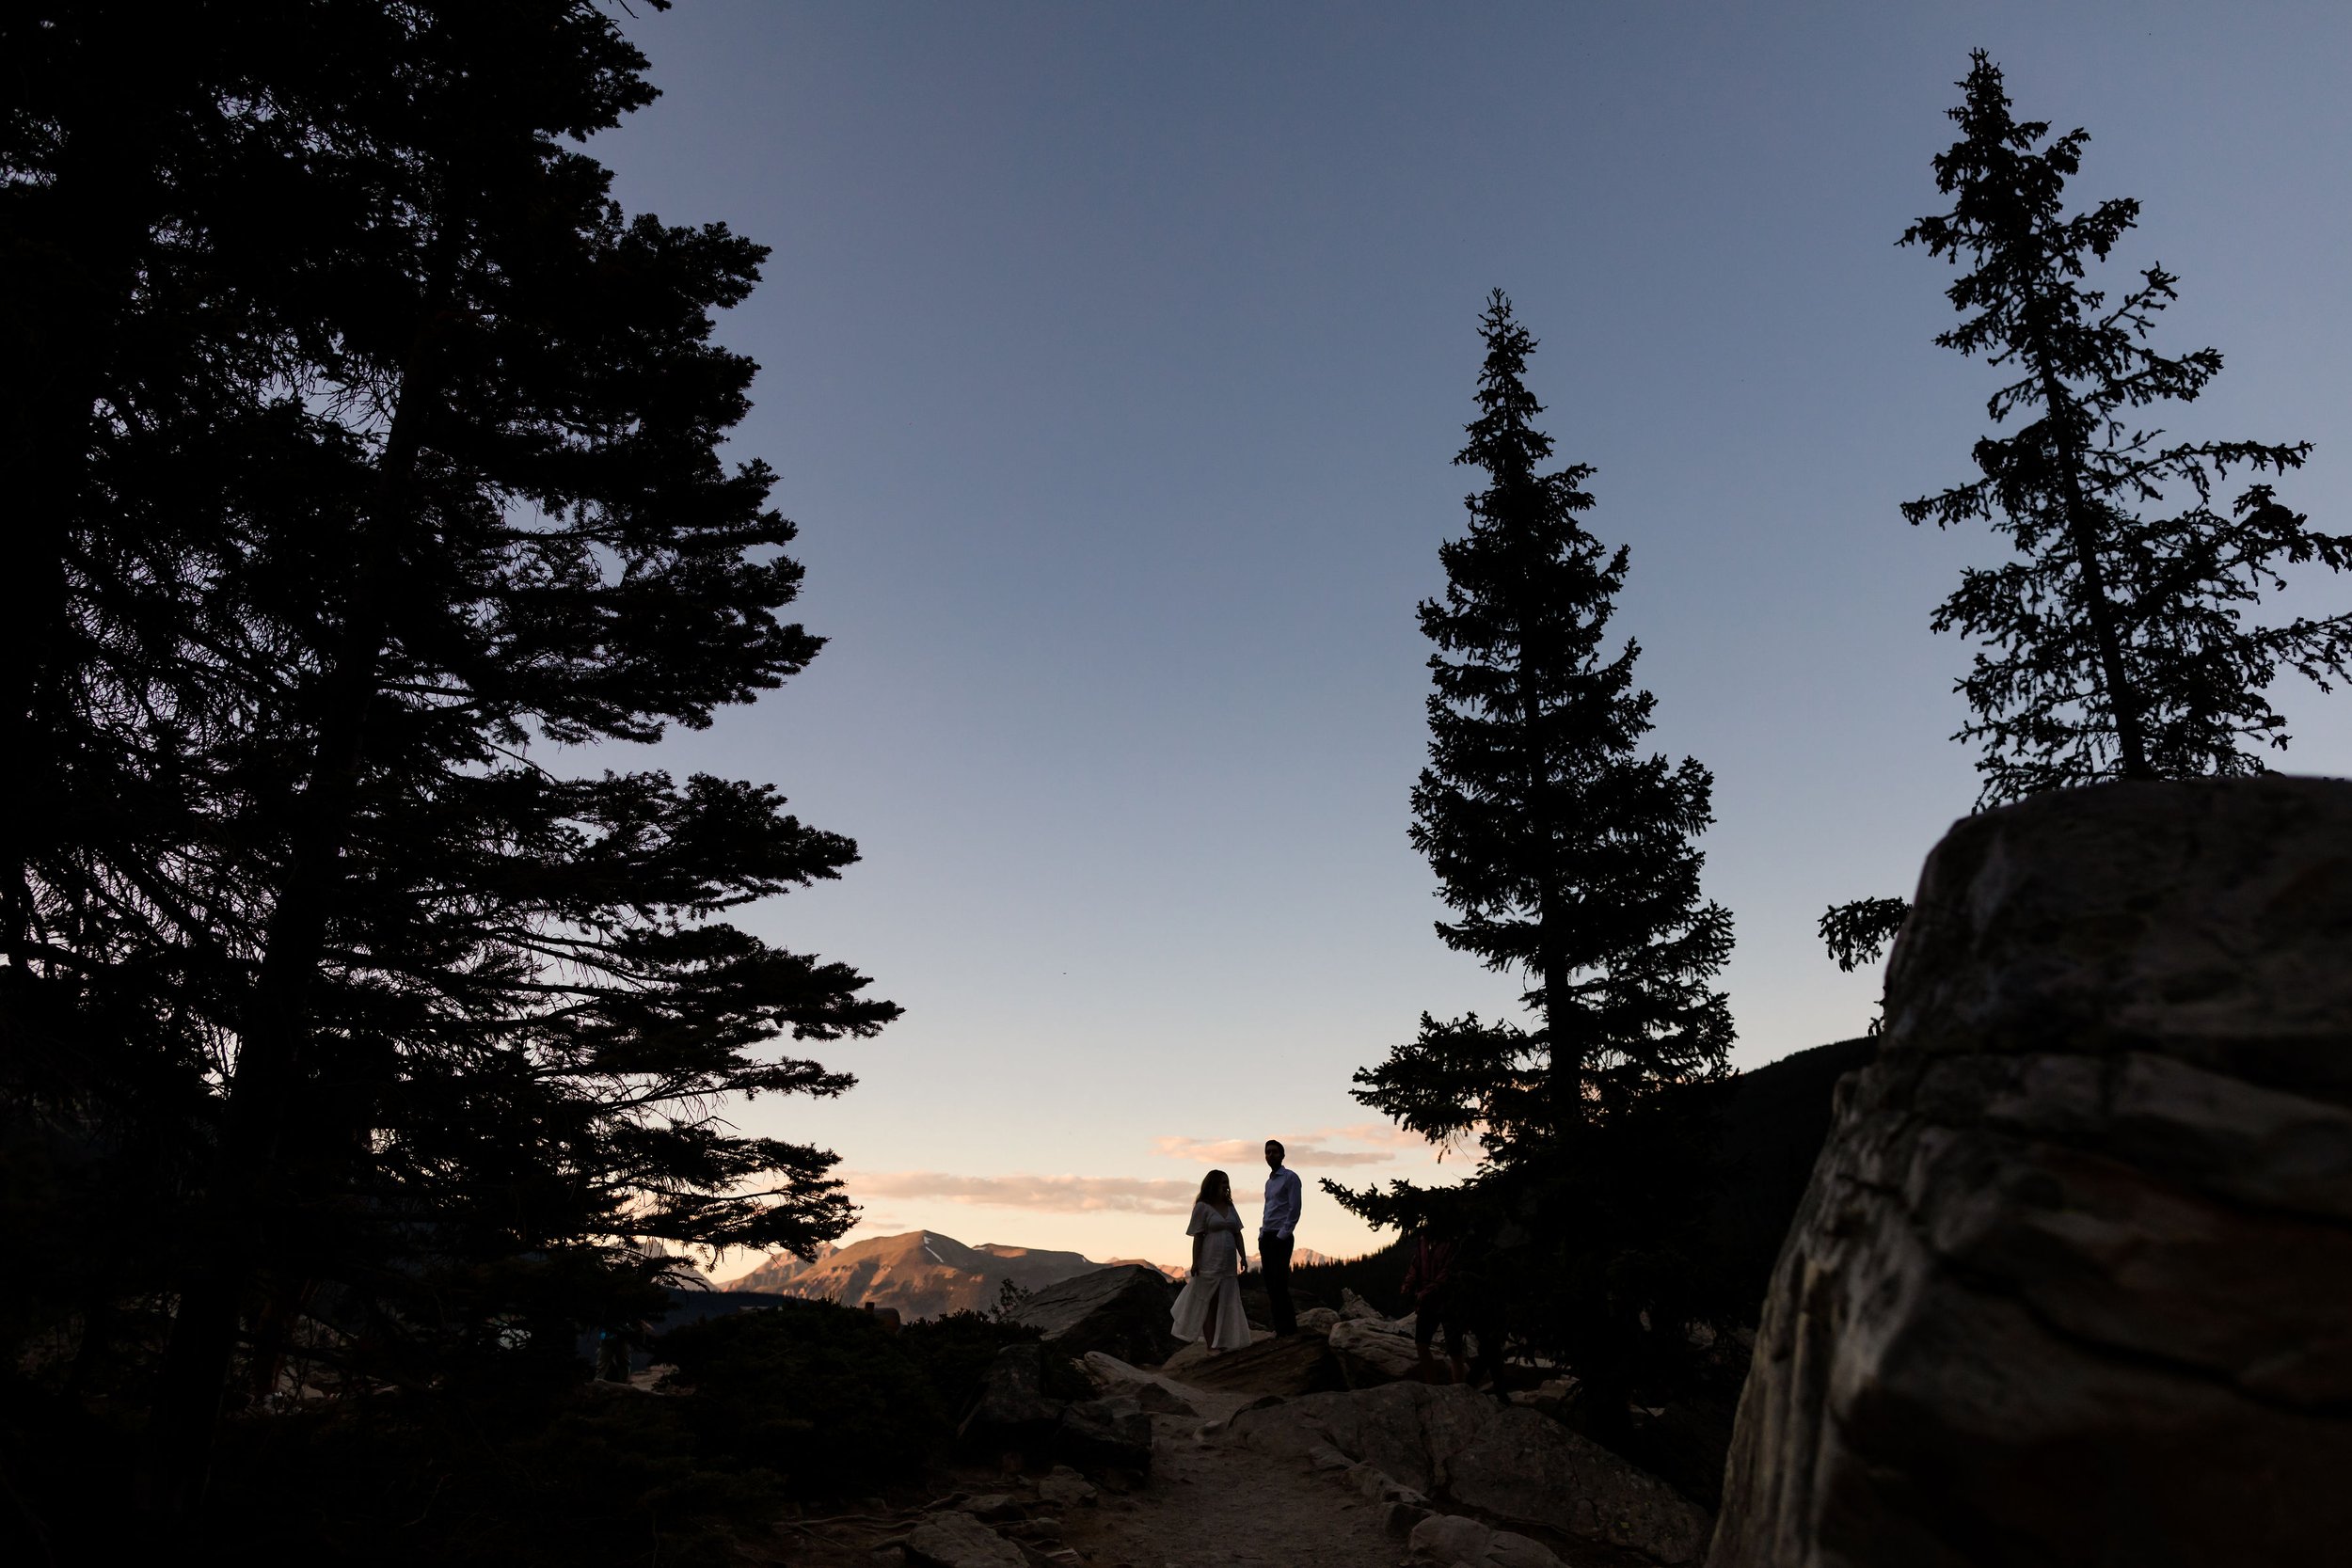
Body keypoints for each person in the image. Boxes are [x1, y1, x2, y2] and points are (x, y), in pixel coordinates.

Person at [1170, 1169, 1250, 1352]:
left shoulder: (1230, 1207)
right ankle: (1211, 1344)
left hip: (1228, 1263)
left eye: (1227, 1182)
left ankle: (1224, 1340)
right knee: (1209, 1300)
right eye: (1223, 1182)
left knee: (1227, 1299)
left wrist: (1243, 1256)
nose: (1226, 1186)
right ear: (1213, 1184)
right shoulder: (1202, 1207)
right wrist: (1195, 1261)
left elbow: (1238, 1233)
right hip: (1210, 1259)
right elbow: (1198, 1236)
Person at [1402, 1225, 1470, 1386]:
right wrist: (1407, 1285)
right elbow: (1416, 1265)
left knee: (1454, 1349)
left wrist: (1424, 1293)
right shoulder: (1423, 1241)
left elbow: (1447, 1273)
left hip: (1449, 1302)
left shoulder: (1452, 1243)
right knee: (1421, 1344)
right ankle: (1432, 1385)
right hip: (1428, 1303)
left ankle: (1458, 1388)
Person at [1259, 1139, 1302, 1337]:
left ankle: (1289, 1329)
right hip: (1267, 1236)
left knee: (1280, 1283)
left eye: (1275, 1152)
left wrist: (1282, 1235)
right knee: (1270, 1284)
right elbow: (1268, 1209)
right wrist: (1262, 1234)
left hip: (1280, 1237)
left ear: (1282, 1155)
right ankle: (1280, 1329)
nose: (1271, 1155)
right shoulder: (1269, 1182)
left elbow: (1294, 1210)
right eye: (1268, 1152)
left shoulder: (1290, 1178)